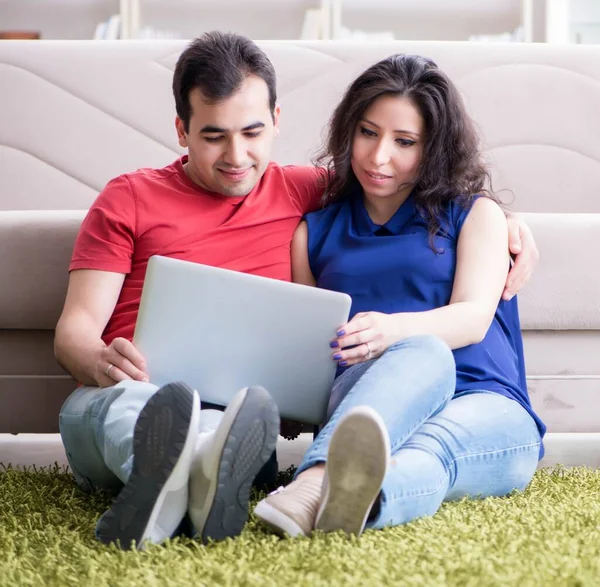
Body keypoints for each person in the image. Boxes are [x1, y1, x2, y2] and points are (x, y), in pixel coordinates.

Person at [55, 34, 539, 550]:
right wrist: (105, 362)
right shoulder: (133, 198)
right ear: (182, 130)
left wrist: (505, 224)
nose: (237, 156)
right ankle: (184, 473)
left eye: (252, 132)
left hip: (239, 411)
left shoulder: (303, 190)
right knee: (141, 406)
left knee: (245, 418)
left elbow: (414, 192)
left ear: (277, 121)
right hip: (132, 392)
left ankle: (227, 487)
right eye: (214, 135)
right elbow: (74, 333)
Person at [253, 53, 546, 538]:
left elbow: (474, 318)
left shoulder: (476, 216)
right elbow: (309, 351)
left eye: (404, 142)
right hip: (369, 397)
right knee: (421, 358)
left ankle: (330, 491)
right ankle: (327, 484)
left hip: (485, 401)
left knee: (432, 441)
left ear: (434, 148)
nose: (378, 156)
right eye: (368, 132)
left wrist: (392, 329)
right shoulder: (314, 232)